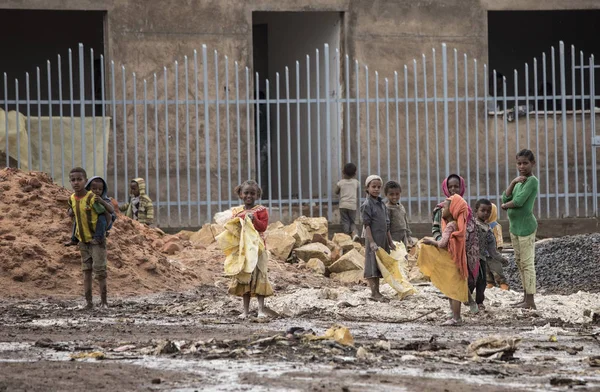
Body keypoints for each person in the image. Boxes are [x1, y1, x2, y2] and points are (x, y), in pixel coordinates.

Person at [431, 174, 480, 312]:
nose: (453, 189)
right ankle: (461, 307)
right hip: (447, 248)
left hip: (465, 249)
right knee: (452, 279)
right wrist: (440, 240)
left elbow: (471, 228)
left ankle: (467, 301)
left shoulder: (464, 207)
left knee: (463, 277)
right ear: (445, 188)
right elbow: (436, 228)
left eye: (456, 186)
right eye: (450, 186)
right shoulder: (442, 209)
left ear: (462, 187)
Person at [420, 194, 470, 326]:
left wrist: (430, 242)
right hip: (456, 261)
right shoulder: (456, 224)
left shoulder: (450, 226)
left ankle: (456, 318)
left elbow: (442, 244)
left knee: (453, 291)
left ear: (453, 209)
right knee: (453, 290)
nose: (442, 208)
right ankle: (455, 316)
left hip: (451, 262)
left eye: (445, 206)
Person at [228, 180, 273, 319]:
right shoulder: (237, 212)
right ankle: (245, 311)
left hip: (258, 249)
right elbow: (233, 228)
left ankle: (260, 310)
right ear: (241, 194)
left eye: (252, 193)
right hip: (244, 249)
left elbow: (263, 227)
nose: (249, 196)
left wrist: (254, 219)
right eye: (246, 193)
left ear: (257, 195)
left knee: (259, 276)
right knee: (245, 277)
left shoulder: (261, 211)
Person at [66, 167, 109, 309]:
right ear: (70, 182)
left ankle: (104, 302)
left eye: (79, 179)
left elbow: (104, 215)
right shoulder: (72, 199)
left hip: (96, 241)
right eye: (73, 180)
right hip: (83, 241)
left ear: (85, 181)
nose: (76, 183)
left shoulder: (91, 197)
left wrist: (102, 234)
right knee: (86, 271)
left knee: (100, 272)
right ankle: (88, 302)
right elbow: (75, 218)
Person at [501, 149, 539, 309]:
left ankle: (530, 300)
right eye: (519, 163)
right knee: (520, 263)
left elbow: (518, 201)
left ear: (532, 164)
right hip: (515, 228)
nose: (522, 166)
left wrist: (504, 206)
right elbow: (506, 196)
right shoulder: (520, 181)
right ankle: (525, 298)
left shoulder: (532, 181)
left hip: (526, 228)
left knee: (527, 263)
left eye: (525, 163)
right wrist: (513, 182)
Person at [361, 175, 396, 302]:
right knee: (371, 265)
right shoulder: (367, 205)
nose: (376, 189)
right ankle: (374, 293)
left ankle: (378, 291)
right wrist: (371, 242)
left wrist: (390, 241)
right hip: (373, 239)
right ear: (367, 188)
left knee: (378, 265)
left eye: (378, 187)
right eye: (373, 187)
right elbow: (367, 225)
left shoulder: (382, 204)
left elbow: (387, 225)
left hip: (382, 240)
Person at [473, 199, 511, 311]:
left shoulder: (489, 229)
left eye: (488, 211)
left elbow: (493, 250)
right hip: (470, 258)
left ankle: (479, 302)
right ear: (476, 211)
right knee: (471, 281)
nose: (485, 213)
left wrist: (502, 259)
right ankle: (466, 299)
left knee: (482, 281)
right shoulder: (471, 226)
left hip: (481, 259)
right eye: (482, 210)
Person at [65, 176, 116, 246]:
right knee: (79, 217)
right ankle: (74, 239)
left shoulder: (104, 199)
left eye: (100, 189)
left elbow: (112, 210)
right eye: (94, 189)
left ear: (103, 190)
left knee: (102, 217)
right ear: (88, 189)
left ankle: (98, 238)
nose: (97, 191)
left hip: (103, 222)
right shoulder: (84, 199)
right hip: (88, 222)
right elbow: (72, 210)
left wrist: (102, 202)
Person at [486, 203, 509, 290]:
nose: (486, 214)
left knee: (496, 270)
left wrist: (498, 249)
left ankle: (503, 284)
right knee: (487, 270)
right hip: (485, 253)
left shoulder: (495, 226)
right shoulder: (482, 225)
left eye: (489, 212)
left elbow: (499, 238)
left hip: (494, 253)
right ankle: (490, 283)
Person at [384, 180, 413, 247]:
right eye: (391, 194)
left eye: (397, 194)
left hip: (403, 235)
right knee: (396, 255)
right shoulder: (387, 209)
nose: (394, 197)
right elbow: (386, 227)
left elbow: (405, 221)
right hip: (393, 237)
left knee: (403, 254)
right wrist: (389, 241)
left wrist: (408, 236)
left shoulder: (401, 206)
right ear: (386, 195)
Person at [335, 163, 360, 239]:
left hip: (343, 205)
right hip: (352, 206)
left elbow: (336, 191)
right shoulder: (356, 182)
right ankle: (354, 234)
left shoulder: (340, 183)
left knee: (345, 221)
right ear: (355, 173)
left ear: (343, 172)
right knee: (352, 222)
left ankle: (346, 236)